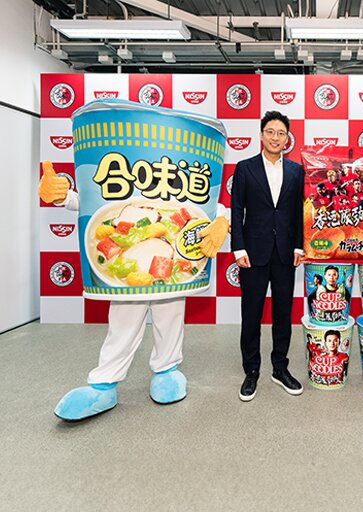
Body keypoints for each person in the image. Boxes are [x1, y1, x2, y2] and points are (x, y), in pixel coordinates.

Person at [38, 161, 229, 421]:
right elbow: (94, 200)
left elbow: (209, 206)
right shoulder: (124, 168)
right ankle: (103, 384)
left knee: (170, 316)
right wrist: (63, 197)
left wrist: (221, 220)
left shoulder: (181, 170)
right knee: (123, 322)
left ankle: (166, 370)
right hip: (124, 269)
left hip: (173, 263)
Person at [230, 110, 304, 402]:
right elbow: (237, 209)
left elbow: (300, 211)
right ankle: (251, 370)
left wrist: (299, 245)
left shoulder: (297, 171)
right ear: (261, 135)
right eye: (270, 132)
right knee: (251, 313)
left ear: (288, 138)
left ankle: (279, 367)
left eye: (281, 133)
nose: (276, 138)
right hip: (253, 252)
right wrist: (238, 247)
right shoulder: (245, 168)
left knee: (283, 313)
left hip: (286, 252)